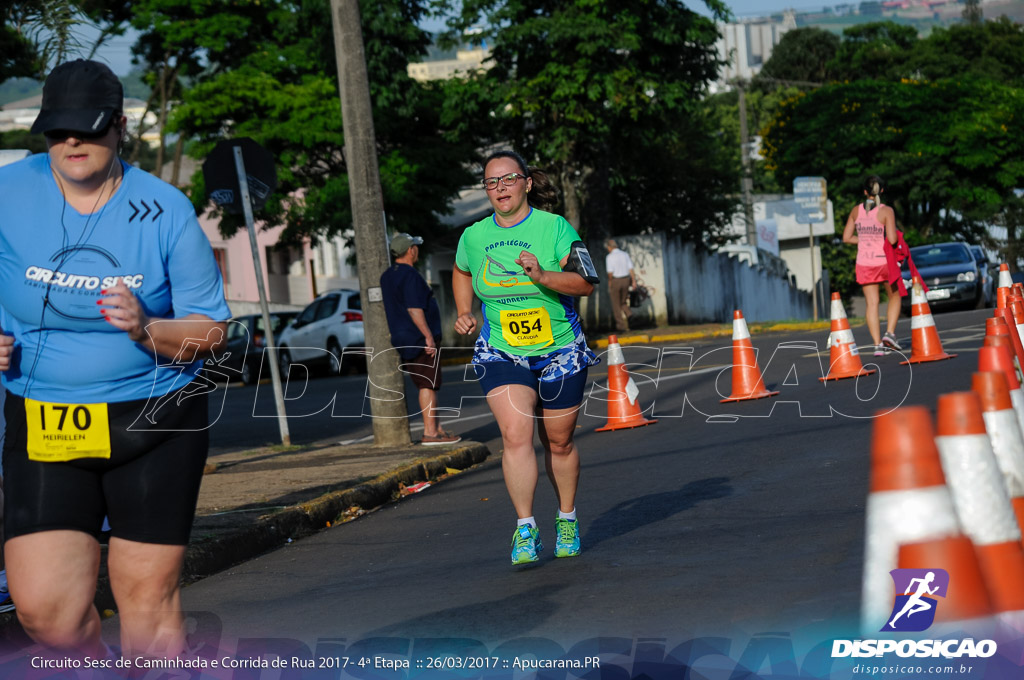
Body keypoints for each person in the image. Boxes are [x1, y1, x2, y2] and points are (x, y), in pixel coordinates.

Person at [0, 59, 231, 660]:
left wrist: (148, 327)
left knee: (146, 599)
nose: (71, 141)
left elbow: (211, 333)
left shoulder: (165, 209)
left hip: (154, 422)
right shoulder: (7, 193)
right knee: (45, 612)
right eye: (57, 130)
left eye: (88, 127)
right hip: (46, 419)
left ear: (119, 127)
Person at [453, 150, 600, 565]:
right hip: (502, 349)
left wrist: (542, 277)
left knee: (558, 440)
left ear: (527, 183)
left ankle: (566, 518)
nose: (499, 188)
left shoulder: (554, 228)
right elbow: (463, 270)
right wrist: (465, 311)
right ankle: (525, 529)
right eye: (491, 182)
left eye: (508, 179)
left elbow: (587, 283)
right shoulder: (474, 236)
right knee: (515, 436)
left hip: (560, 350)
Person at [380, 232, 461, 445]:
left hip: (402, 336)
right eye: (415, 247)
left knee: (428, 382)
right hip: (418, 338)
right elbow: (415, 309)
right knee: (427, 384)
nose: (417, 250)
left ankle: (437, 428)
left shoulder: (388, 275)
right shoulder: (410, 275)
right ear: (410, 250)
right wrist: (428, 337)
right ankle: (430, 433)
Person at [842, 175, 901, 357]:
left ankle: (877, 346)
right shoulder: (886, 211)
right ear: (881, 191)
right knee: (895, 295)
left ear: (864, 191)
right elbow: (891, 239)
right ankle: (890, 334)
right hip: (883, 261)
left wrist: (864, 239)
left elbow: (846, 237)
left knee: (872, 303)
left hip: (864, 262)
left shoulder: (855, 211)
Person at [604, 239, 636, 332]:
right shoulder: (624, 254)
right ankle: (629, 315)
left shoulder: (609, 257)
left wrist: (610, 282)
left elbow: (610, 273)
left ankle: (621, 326)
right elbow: (631, 269)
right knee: (623, 301)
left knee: (616, 304)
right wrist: (633, 281)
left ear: (609, 247)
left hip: (616, 280)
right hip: (626, 280)